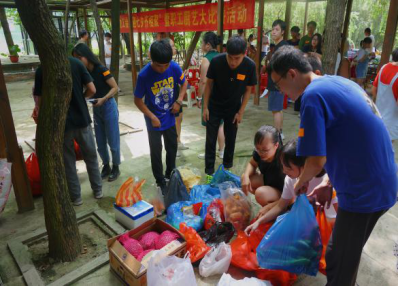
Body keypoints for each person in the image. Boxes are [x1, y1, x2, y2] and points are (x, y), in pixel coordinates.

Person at [268, 45, 397, 286]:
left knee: (338, 260)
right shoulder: (335, 82)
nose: (281, 91)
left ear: (292, 74)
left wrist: (300, 182)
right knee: (344, 254)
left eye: (278, 84)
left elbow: (315, 161)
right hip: (378, 180)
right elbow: (341, 144)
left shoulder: (312, 97)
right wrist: (328, 182)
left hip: (365, 191)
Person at [34, 58, 103, 206]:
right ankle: (98, 190)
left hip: (60, 123)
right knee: (90, 156)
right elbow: (92, 89)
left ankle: (76, 197)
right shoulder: (77, 64)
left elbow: (38, 101)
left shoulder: (42, 69)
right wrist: (80, 98)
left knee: (68, 162)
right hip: (82, 119)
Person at [245, 139, 338, 236]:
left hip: (325, 223)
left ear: (304, 166)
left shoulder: (323, 182)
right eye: (282, 166)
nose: (284, 171)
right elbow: (280, 206)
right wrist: (258, 222)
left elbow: (333, 216)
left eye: (289, 168)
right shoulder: (290, 179)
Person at [134, 39, 188, 193]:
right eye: (159, 65)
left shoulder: (174, 67)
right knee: (156, 151)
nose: (163, 69)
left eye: (166, 65)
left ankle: (170, 174)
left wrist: (179, 100)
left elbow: (184, 83)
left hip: (170, 116)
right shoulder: (144, 75)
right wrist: (151, 116)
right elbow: (137, 100)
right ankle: (160, 181)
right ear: (151, 58)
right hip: (154, 120)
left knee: (172, 147)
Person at [203, 35, 257, 176]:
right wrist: (205, 107)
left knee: (231, 138)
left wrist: (241, 112)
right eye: (230, 57)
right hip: (214, 106)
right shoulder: (216, 62)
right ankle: (209, 172)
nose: (233, 62)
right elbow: (208, 85)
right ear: (226, 52)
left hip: (233, 108)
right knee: (210, 140)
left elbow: (248, 90)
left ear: (244, 54)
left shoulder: (249, 65)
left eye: (237, 58)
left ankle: (227, 168)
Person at [73, 43, 121, 182]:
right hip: (96, 108)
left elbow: (115, 87)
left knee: (113, 140)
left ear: (86, 56)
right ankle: (105, 166)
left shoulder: (101, 69)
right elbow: (89, 91)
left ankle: (116, 166)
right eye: (75, 58)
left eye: (79, 57)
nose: (77, 61)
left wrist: (104, 98)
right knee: (100, 141)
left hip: (108, 106)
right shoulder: (83, 72)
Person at [241, 125, 285, 209]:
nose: (261, 153)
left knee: (260, 194)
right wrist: (246, 176)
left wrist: (280, 203)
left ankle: (275, 208)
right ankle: (268, 205)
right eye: (258, 149)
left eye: (265, 150)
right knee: (245, 178)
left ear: (276, 145)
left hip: (284, 192)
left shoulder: (283, 161)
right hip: (269, 181)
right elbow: (252, 164)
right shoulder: (259, 152)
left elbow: (293, 194)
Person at [197, 32, 225, 160]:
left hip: (210, 97)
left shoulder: (206, 60)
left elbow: (203, 82)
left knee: (210, 126)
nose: (201, 45)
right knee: (220, 125)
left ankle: (210, 152)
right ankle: (221, 151)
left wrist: (199, 97)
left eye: (202, 43)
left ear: (208, 45)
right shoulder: (222, 57)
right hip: (221, 96)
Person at [267, 19, 289, 140]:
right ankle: (280, 132)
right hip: (279, 82)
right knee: (278, 109)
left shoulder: (282, 46)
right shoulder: (280, 46)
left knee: (276, 110)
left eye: (277, 30)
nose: (274, 32)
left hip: (277, 82)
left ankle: (277, 135)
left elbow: (282, 66)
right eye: (273, 29)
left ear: (282, 32)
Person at [372, 48, 398, 142]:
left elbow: (373, 90)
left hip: (378, 116)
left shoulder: (384, 67)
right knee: (387, 150)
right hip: (391, 122)